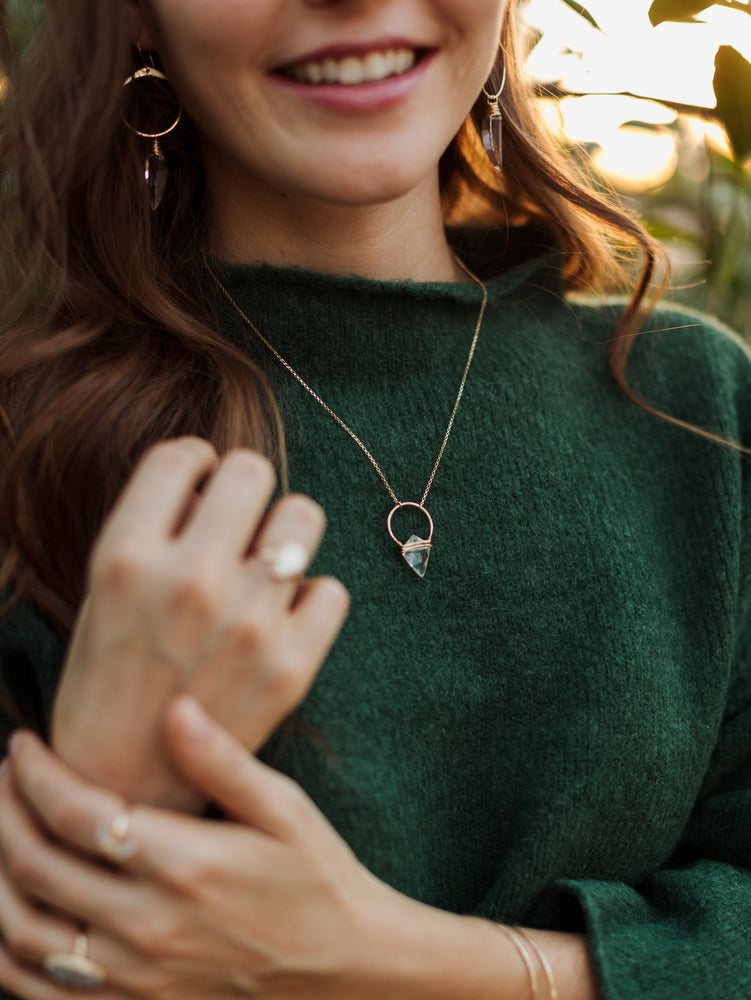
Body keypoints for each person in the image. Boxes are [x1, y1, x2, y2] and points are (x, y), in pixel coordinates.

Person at [0, 0, 749, 997]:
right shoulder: (29, 446)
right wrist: (111, 787)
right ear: (135, 16)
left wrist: (395, 961)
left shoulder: (695, 411)